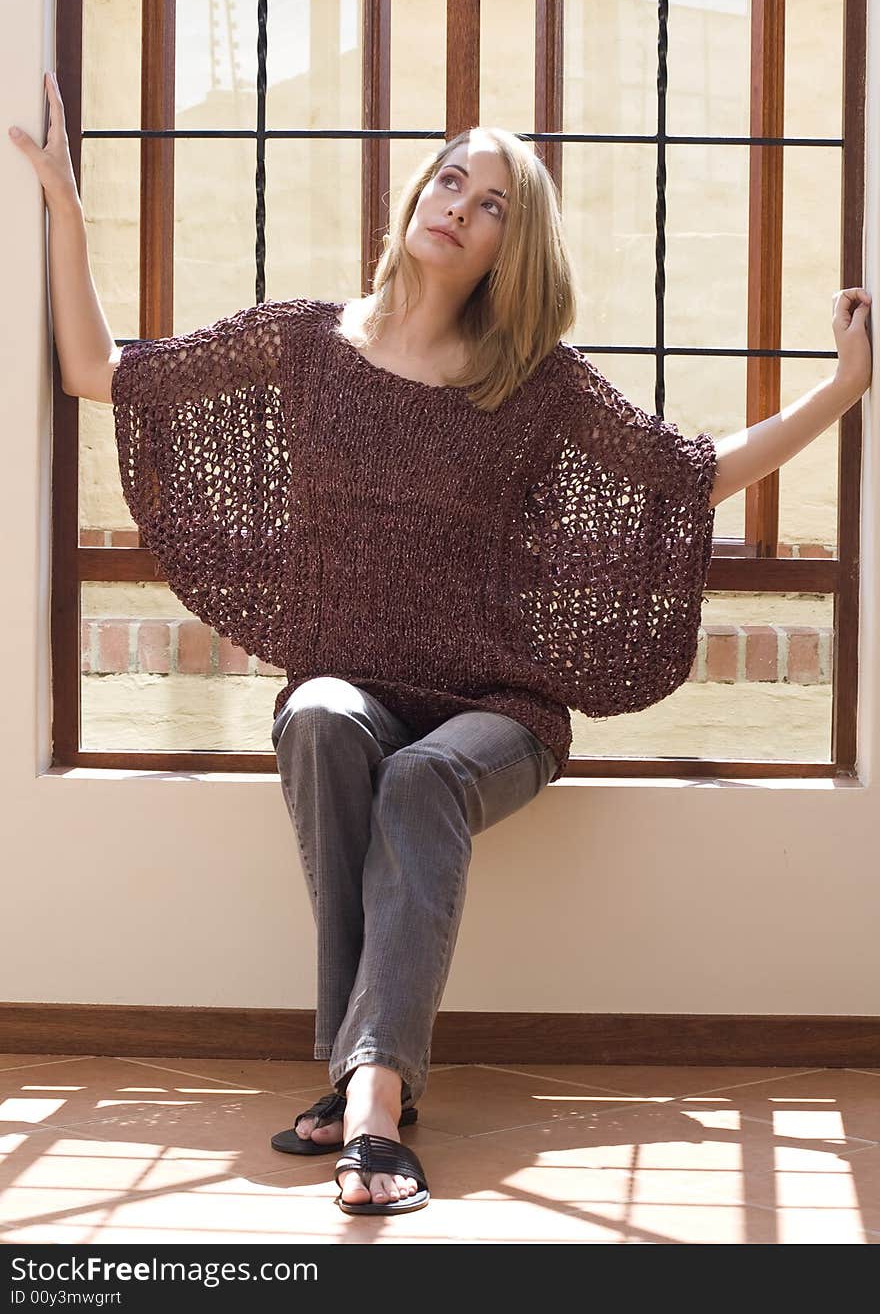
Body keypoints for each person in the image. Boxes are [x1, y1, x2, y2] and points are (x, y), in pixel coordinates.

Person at [11, 71, 872, 1219]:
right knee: (315, 714)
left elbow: (693, 474)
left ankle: (365, 1109)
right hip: (356, 689)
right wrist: (66, 205)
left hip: (499, 713)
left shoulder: (534, 384)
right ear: (416, 196)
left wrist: (842, 385)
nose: (458, 204)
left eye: (492, 204)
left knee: (420, 779)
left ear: (509, 255)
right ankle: (376, 1080)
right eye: (450, 178)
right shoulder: (306, 344)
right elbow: (96, 374)